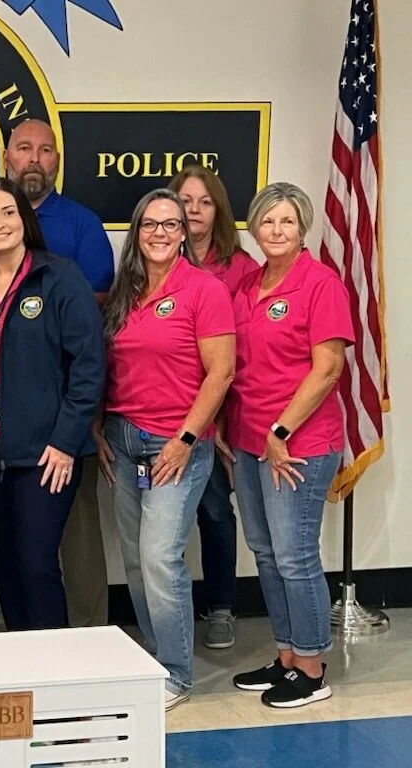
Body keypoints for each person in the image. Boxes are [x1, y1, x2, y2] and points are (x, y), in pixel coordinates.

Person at [0, 118, 116, 634]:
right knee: (3, 563)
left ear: (24, 219)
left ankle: (52, 670)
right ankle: (18, 662)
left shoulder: (59, 277)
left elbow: (88, 367)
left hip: (45, 452)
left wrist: (67, 443)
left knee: (36, 562)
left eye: (9, 212)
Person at [95, 188, 235, 711]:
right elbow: (109, 368)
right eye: (149, 224)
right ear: (137, 231)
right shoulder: (125, 290)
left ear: (184, 234)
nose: (159, 232)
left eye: (170, 224)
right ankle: (155, 656)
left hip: (175, 442)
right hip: (123, 438)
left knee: (160, 557)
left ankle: (176, 674)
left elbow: (221, 372)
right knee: (134, 557)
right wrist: (97, 426)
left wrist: (185, 440)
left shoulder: (203, 290)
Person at [228, 183, 353, 709]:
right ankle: (285, 656)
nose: (276, 231)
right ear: (254, 228)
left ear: (302, 229)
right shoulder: (248, 285)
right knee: (265, 550)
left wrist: (280, 432)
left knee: (295, 554)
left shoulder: (321, 284)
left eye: (287, 222)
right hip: (248, 440)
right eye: (267, 221)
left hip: (298, 443)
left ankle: (312, 665)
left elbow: (327, 370)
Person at [169, 165, 261, 650]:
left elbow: (243, 352)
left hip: (221, 414)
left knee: (215, 513)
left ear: (219, 209)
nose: (194, 210)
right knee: (164, 522)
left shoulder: (243, 270)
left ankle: (221, 606)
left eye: (205, 202)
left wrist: (222, 420)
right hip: (166, 413)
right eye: (185, 200)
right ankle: (170, 615)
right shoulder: (156, 259)